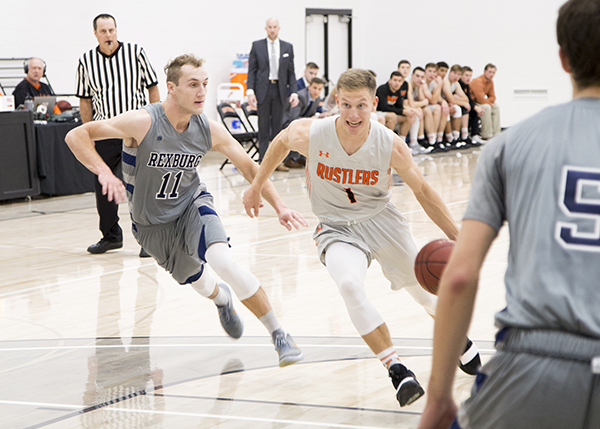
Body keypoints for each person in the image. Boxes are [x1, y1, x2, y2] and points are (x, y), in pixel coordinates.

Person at [243, 68, 480, 408]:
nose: (353, 114)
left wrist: (459, 238)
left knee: (423, 293)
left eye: (362, 106)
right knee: (350, 285)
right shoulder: (311, 132)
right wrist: (256, 187)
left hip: (382, 221)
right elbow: (279, 142)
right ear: (336, 101)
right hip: (336, 226)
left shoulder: (390, 144)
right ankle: (397, 370)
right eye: (346, 105)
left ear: (374, 103)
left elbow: (424, 192)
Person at [418, 1, 600, 427]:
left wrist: (439, 396)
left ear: (563, 59)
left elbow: (460, 275)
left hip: (534, 363)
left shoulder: (509, 144)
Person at [66, 53, 307, 368]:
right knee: (200, 282)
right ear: (171, 88)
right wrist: (104, 172)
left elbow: (249, 165)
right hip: (151, 226)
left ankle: (280, 335)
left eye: (205, 84)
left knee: (223, 260)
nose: (202, 92)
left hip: (192, 204)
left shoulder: (208, 128)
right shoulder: (143, 121)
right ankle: (222, 299)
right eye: (193, 84)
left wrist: (281, 205)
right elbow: (76, 135)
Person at [76, 13, 160, 257]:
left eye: (111, 30)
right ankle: (110, 236)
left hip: (135, 128)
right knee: (103, 184)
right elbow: (84, 100)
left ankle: (148, 237)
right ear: (96, 34)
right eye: (103, 31)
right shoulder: (86, 60)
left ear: (116, 30)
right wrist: (88, 131)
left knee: (141, 185)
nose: (109, 35)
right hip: (104, 130)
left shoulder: (136, 52)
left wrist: (154, 121)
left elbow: (153, 86)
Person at [247, 17, 299, 171]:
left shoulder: (287, 47)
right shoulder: (257, 46)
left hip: (280, 90)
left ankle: (277, 162)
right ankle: (263, 162)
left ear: (279, 28)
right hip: (263, 90)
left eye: (274, 27)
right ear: (266, 28)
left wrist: (294, 92)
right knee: (263, 128)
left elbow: (291, 72)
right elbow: (252, 71)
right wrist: (250, 90)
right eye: (269, 27)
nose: (272, 29)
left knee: (278, 128)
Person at [284, 77, 326, 168]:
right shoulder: (301, 97)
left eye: (319, 89)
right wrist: (309, 119)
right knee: (301, 129)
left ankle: (302, 157)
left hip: (301, 121)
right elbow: (293, 118)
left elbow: (312, 113)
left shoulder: (317, 99)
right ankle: (290, 159)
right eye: (315, 88)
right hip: (287, 123)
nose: (317, 91)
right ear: (309, 87)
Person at [376, 71, 415, 142]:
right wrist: (402, 111)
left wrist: (406, 112)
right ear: (390, 80)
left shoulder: (398, 91)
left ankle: (402, 142)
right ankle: (388, 142)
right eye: (395, 80)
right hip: (379, 112)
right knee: (392, 116)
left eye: (399, 81)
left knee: (408, 117)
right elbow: (383, 107)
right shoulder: (382, 89)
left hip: (390, 112)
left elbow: (399, 106)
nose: (397, 83)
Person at [470, 63, 501, 139]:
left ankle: (497, 133)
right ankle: (487, 134)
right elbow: (480, 99)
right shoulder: (477, 81)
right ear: (485, 71)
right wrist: (489, 102)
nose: (492, 74)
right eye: (490, 72)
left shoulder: (490, 82)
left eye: (493, 73)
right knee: (487, 107)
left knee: (496, 107)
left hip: (482, 102)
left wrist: (489, 101)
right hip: (473, 102)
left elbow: (493, 97)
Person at [459, 66, 485, 144]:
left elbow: (469, 99)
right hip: (460, 106)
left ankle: (475, 135)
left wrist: (476, 107)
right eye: (466, 75)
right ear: (461, 75)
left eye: (470, 76)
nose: (468, 78)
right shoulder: (458, 84)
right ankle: (464, 135)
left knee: (475, 110)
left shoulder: (467, 86)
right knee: (468, 110)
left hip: (465, 105)